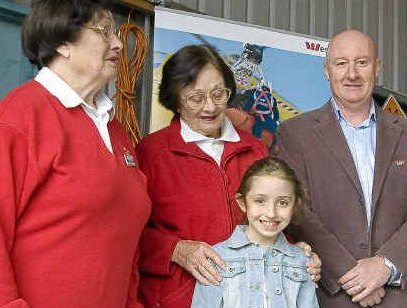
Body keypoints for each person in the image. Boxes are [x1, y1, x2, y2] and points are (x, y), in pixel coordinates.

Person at [0, 1, 151, 307]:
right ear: (63, 42)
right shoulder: (18, 119)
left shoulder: (114, 129)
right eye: (104, 32)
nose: (119, 43)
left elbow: (121, 250)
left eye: (116, 32)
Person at [136, 44, 321, 308]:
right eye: (196, 98)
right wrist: (175, 250)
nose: (210, 106)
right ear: (175, 99)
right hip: (177, 299)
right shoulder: (151, 153)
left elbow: (268, 218)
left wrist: (296, 253)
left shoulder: (254, 149)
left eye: (219, 94)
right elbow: (126, 235)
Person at [276, 29, 407, 307]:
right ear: (327, 71)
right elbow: (298, 211)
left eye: (362, 62)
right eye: (341, 63)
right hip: (329, 294)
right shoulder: (294, 135)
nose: (352, 74)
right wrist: (350, 275)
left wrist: (385, 266)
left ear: (377, 68)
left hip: (398, 296)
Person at [191, 157, 319, 308]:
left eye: (282, 202)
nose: (271, 213)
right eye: (260, 201)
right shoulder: (217, 258)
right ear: (242, 202)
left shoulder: (302, 260)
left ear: (295, 206)